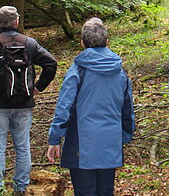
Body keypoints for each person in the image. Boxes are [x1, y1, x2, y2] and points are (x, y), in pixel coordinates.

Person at [0, 6, 57, 195]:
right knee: (23, 147)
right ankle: (21, 189)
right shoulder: (29, 43)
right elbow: (51, 63)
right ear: (17, 22)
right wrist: (37, 87)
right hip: (24, 104)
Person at [47, 17, 135, 196]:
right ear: (107, 42)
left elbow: (64, 108)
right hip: (110, 142)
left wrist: (55, 138)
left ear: (82, 43)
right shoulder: (120, 72)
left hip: (82, 145)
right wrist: (126, 134)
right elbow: (127, 109)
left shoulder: (77, 71)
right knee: (105, 191)